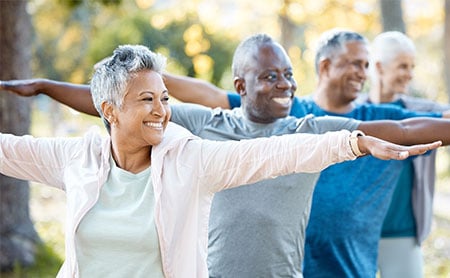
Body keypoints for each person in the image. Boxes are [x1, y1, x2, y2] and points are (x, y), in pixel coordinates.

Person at [2, 34, 450, 277]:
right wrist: (45, 87)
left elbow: (281, 153)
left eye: (289, 75)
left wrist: (354, 140)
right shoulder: (207, 127)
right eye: (270, 76)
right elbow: (118, 103)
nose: (284, 85)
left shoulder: (299, 129)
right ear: (241, 87)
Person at [355, 31, 450, 278]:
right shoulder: (353, 112)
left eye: (412, 66)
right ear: (379, 67)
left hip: (401, 230)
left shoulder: (420, 112)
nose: (409, 74)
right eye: (402, 66)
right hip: (356, 231)